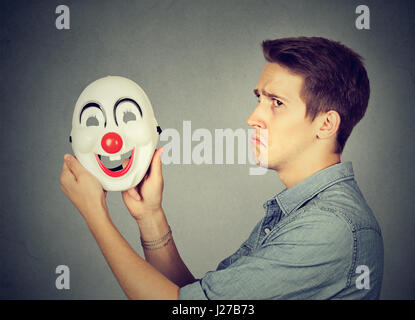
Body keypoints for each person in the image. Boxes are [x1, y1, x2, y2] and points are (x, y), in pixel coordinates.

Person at [60, 36, 383, 300]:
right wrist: (150, 216)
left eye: (276, 103)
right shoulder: (301, 213)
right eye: (259, 98)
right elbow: (200, 300)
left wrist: (94, 212)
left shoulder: (328, 228)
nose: (253, 117)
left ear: (326, 124)